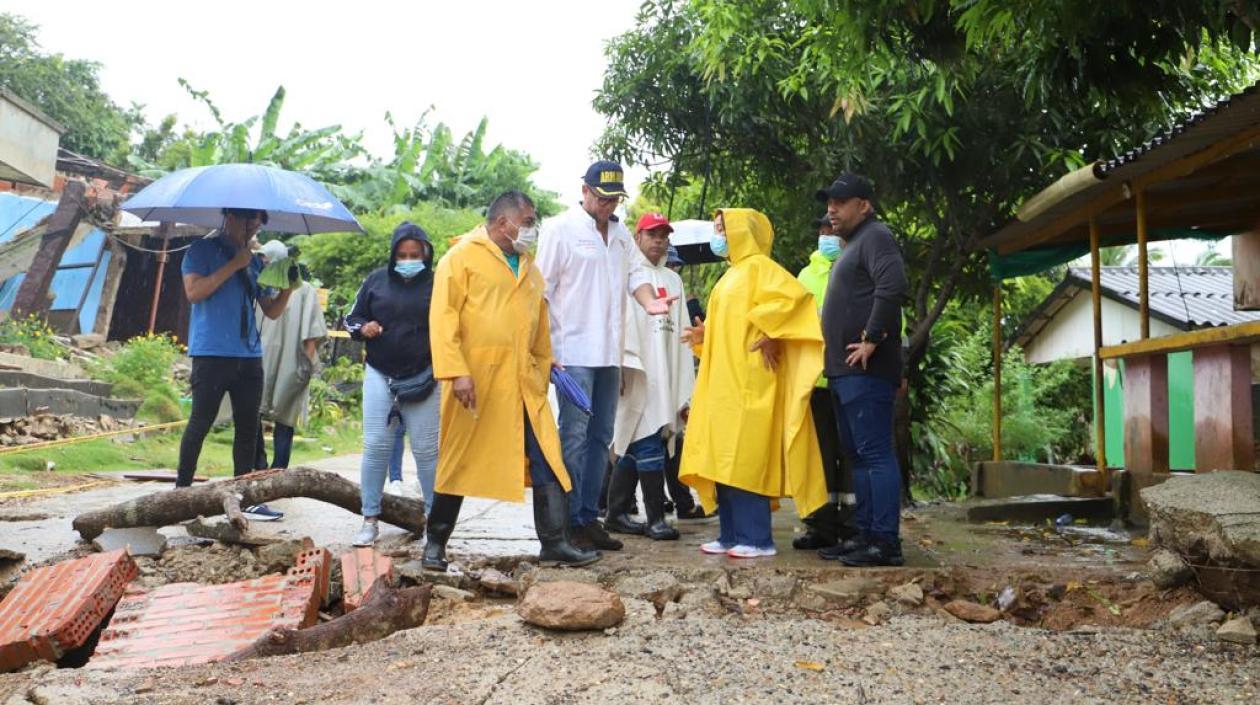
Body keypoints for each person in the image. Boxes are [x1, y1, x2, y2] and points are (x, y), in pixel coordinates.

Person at [423, 190, 598, 570]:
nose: (532, 229)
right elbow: (443, 319)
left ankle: (555, 542)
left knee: (547, 456)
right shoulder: (460, 258)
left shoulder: (531, 270)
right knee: (458, 461)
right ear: (503, 222)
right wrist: (457, 372)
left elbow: (539, 329)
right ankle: (434, 544)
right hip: (476, 382)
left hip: (524, 382)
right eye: (528, 222)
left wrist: (546, 365)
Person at [535, 160, 675, 552]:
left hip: (609, 353)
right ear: (584, 191)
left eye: (613, 200)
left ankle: (586, 519)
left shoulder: (620, 234)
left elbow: (636, 276)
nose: (607, 206)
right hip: (572, 354)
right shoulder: (560, 229)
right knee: (574, 437)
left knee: (601, 439)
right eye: (601, 198)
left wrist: (650, 303)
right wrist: (543, 350)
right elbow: (540, 293)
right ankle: (564, 526)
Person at [679, 209, 828, 558]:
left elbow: (797, 301)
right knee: (722, 460)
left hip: (752, 381)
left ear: (741, 231)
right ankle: (729, 534)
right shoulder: (730, 276)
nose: (718, 235)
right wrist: (704, 335)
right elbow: (733, 326)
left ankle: (758, 538)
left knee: (747, 459)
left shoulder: (760, 268)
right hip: (723, 385)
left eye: (722, 228)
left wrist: (774, 332)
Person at [176, 208, 295, 521]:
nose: (253, 226)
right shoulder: (201, 250)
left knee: (248, 427)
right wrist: (233, 265)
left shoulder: (256, 262)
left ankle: (245, 497)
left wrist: (287, 288)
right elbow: (194, 292)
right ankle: (180, 494)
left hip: (249, 355)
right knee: (201, 422)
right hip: (212, 352)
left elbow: (271, 310)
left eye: (258, 222)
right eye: (247, 219)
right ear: (229, 217)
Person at [816, 173, 909, 567]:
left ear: (864, 205)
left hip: (867, 369)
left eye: (840, 202)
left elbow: (893, 286)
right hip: (844, 371)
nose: (831, 210)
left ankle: (885, 542)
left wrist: (871, 337)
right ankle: (865, 534)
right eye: (829, 204)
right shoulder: (853, 245)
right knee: (858, 456)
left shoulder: (876, 236)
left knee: (874, 454)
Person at [344, 222, 440, 546]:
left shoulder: (440, 284)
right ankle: (369, 519)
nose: (408, 260)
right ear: (393, 255)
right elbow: (352, 318)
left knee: (426, 451)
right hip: (380, 373)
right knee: (376, 446)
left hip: (424, 377)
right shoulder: (375, 281)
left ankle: (434, 526)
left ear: (426, 254)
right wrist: (364, 328)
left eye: (415, 255)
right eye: (402, 255)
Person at [606, 213, 696, 541]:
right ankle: (656, 519)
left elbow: (681, 332)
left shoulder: (673, 280)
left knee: (640, 438)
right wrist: (619, 365)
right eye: (652, 234)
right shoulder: (629, 275)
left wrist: (682, 382)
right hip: (637, 370)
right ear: (638, 237)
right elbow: (619, 324)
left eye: (663, 235)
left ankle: (616, 513)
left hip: (665, 371)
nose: (659, 240)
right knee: (644, 437)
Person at [792, 215, 859, 550]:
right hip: (813, 381)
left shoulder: (860, 267)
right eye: (822, 230)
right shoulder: (805, 276)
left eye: (831, 229)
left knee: (851, 452)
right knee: (817, 456)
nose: (827, 235)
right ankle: (820, 526)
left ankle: (852, 525)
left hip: (851, 374)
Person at [254, 259, 327, 472]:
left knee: (267, 414)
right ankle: (271, 468)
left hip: (275, 360)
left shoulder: (300, 290)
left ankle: (266, 467)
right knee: (278, 416)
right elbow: (313, 333)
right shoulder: (262, 288)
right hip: (278, 360)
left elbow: (311, 334)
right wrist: (310, 363)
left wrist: (308, 363)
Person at [661, 246, 710, 521]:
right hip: (654, 376)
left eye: (675, 265)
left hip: (675, 374)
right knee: (647, 443)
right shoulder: (642, 286)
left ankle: (681, 501)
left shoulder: (677, 290)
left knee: (672, 439)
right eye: (670, 264)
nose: (673, 269)